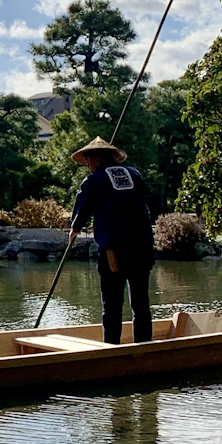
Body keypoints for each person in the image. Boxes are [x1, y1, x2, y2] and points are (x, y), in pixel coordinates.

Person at [66, 136, 155, 345]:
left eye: (88, 159)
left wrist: (75, 229)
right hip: (142, 247)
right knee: (141, 302)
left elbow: (83, 207)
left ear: (96, 158)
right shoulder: (135, 174)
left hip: (114, 250)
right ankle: (144, 345)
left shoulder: (94, 180)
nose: (86, 164)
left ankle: (111, 348)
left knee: (112, 304)